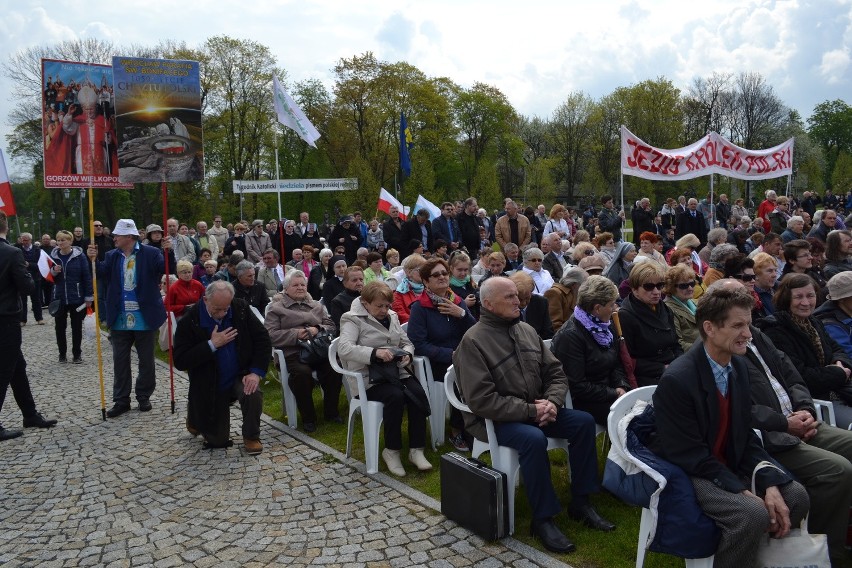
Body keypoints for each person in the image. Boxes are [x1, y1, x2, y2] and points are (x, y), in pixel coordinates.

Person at [650, 284, 809, 568]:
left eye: (748, 324)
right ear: (709, 328)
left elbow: (744, 434)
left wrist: (768, 481)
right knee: (752, 513)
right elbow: (689, 455)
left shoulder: (737, 368)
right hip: (691, 472)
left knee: (795, 495)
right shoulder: (678, 380)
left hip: (726, 461)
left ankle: (761, 559)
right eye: (738, 326)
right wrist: (740, 489)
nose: (748, 334)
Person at [454, 276, 614, 553]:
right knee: (532, 439)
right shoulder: (473, 342)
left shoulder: (525, 330)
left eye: (517, 295)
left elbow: (555, 372)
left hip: (536, 408)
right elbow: (481, 400)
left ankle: (581, 501)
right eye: (510, 297)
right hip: (494, 421)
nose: (519, 300)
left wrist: (552, 402)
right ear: (489, 304)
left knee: (583, 422)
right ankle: (543, 518)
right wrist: (530, 410)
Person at [699, 279, 852, 568]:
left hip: (799, 420)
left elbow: (791, 374)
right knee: (837, 471)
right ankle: (823, 552)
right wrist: (785, 423)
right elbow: (738, 410)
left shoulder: (756, 333)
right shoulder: (717, 349)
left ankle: (841, 533)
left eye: (746, 299)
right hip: (771, 437)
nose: (745, 321)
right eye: (735, 301)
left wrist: (805, 409)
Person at [337, 281, 431, 475]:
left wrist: (407, 354)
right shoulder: (352, 318)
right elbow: (344, 349)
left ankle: (416, 449)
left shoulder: (392, 315)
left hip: (396, 371)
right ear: (365, 303)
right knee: (395, 397)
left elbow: (406, 342)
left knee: (418, 393)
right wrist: (374, 353)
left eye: (387, 305)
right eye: (379, 306)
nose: (384, 310)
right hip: (369, 378)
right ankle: (392, 450)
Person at [89, 219, 176, 417]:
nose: (114, 238)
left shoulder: (151, 253)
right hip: (119, 316)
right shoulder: (112, 256)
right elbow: (100, 274)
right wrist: (92, 260)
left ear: (129, 237)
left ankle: (143, 395)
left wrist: (168, 251)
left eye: (117, 235)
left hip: (144, 316)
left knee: (146, 360)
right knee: (120, 360)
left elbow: (167, 269)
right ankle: (121, 400)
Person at [173, 281, 270, 455]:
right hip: (209, 381)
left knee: (252, 392)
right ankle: (194, 414)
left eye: (226, 308)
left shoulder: (239, 308)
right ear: (205, 300)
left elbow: (262, 339)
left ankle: (251, 436)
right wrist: (211, 344)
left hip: (239, 374)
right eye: (217, 309)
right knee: (218, 441)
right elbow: (180, 360)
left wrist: (256, 372)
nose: (222, 313)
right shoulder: (190, 320)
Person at [755, 273, 852, 428]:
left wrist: (839, 362)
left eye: (810, 296)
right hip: (816, 400)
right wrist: (839, 373)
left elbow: (836, 349)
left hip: (839, 388)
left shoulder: (814, 322)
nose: (806, 302)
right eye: (798, 297)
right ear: (786, 299)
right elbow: (800, 375)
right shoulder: (775, 330)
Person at [407, 258, 477, 452]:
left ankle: (482, 423)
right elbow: (418, 344)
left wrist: (461, 313)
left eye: (444, 273)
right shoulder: (420, 308)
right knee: (462, 376)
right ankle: (457, 429)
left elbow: (476, 332)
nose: (442, 277)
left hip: (462, 356)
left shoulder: (456, 301)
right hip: (437, 362)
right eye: (436, 275)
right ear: (426, 282)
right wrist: (450, 354)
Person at [0, 211, 58, 440]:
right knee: (4, 370)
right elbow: (28, 288)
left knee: (17, 367)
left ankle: (30, 413)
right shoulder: (11, 253)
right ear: (6, 227)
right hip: (6, 319)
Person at [265, 271, 341, 432]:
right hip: (293, 352)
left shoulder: (316, 305)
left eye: (303, 285)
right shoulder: (276, 308)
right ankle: (309, 418)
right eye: (295, 285)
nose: (300, 288)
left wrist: (317, 328)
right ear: (286, 288)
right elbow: (270, 335)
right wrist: (295, 334)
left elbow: (332, 326)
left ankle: (331, 412)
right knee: (301, 374)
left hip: (318, 349)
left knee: (334, 368)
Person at [551, 275, 629, 425]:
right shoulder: (570, 336)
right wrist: (613, 393)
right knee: (633, 418)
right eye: (612, 304)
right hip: (585, 401)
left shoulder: (604, 327)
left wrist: (620, 385)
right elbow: (577, 385)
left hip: (608, 392)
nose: (615, 309)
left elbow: (616, 363)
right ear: (597, 308)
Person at [618, 262, 682, 386]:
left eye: (659, 286)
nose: (656, 291)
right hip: (647, 378)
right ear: (635, 289)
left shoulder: (664, 308)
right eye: (649, 287)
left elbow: (675, 343)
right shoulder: (625, 316)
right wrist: (662, 368)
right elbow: (628, 360)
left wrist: (679, 362)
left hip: (673, 368)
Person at [48, 230, 93, 363]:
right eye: (59, 240)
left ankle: (77, 354)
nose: (61, 242)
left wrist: (88, 296)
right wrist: (53, 272)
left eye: (64, 240)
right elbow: (48, 277)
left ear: (70, 241)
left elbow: (86, 276)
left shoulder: (80, 256)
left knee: (76, 326)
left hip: (77, 296)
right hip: (59, 297)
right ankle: (62, 354)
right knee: (60, 327)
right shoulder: (53, 257)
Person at [663, 263, 699, 351]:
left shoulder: (694, 302)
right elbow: (678, 343)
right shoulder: (668, 309)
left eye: (692, 283)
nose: (690, 288)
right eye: (684, 286)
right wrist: (707, 348)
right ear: (671, 287)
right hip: (693, 356)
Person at [510, 271, 554, 340]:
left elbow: (547, 332)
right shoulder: (507, 306)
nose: (524, 303)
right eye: (520, 299)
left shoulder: (541, 302)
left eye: (527, 298)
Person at [544, 267, 588, 333]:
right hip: (564, 338)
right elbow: (555, 325)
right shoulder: (555, 293)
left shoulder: (575, 293)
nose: (586, 288)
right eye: (584, 285)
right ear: (574, 285)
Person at [15, 233, 45, 326]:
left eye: (26, 240)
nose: (24, 242)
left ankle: (39, 318)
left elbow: (40, 265)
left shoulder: (37, 250)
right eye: (23, 240)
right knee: (22, 300)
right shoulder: (17, 249)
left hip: (35, 277)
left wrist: (29, 264)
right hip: (22, 278)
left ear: (30, 240)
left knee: (36, 299)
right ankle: (22, 320)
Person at [392, 254, 426, 324]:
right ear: (409, 272)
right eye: (421, 270)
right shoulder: (398, 294)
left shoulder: (430, 289)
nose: (424, 273)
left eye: (426, 270)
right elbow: (401, 316)